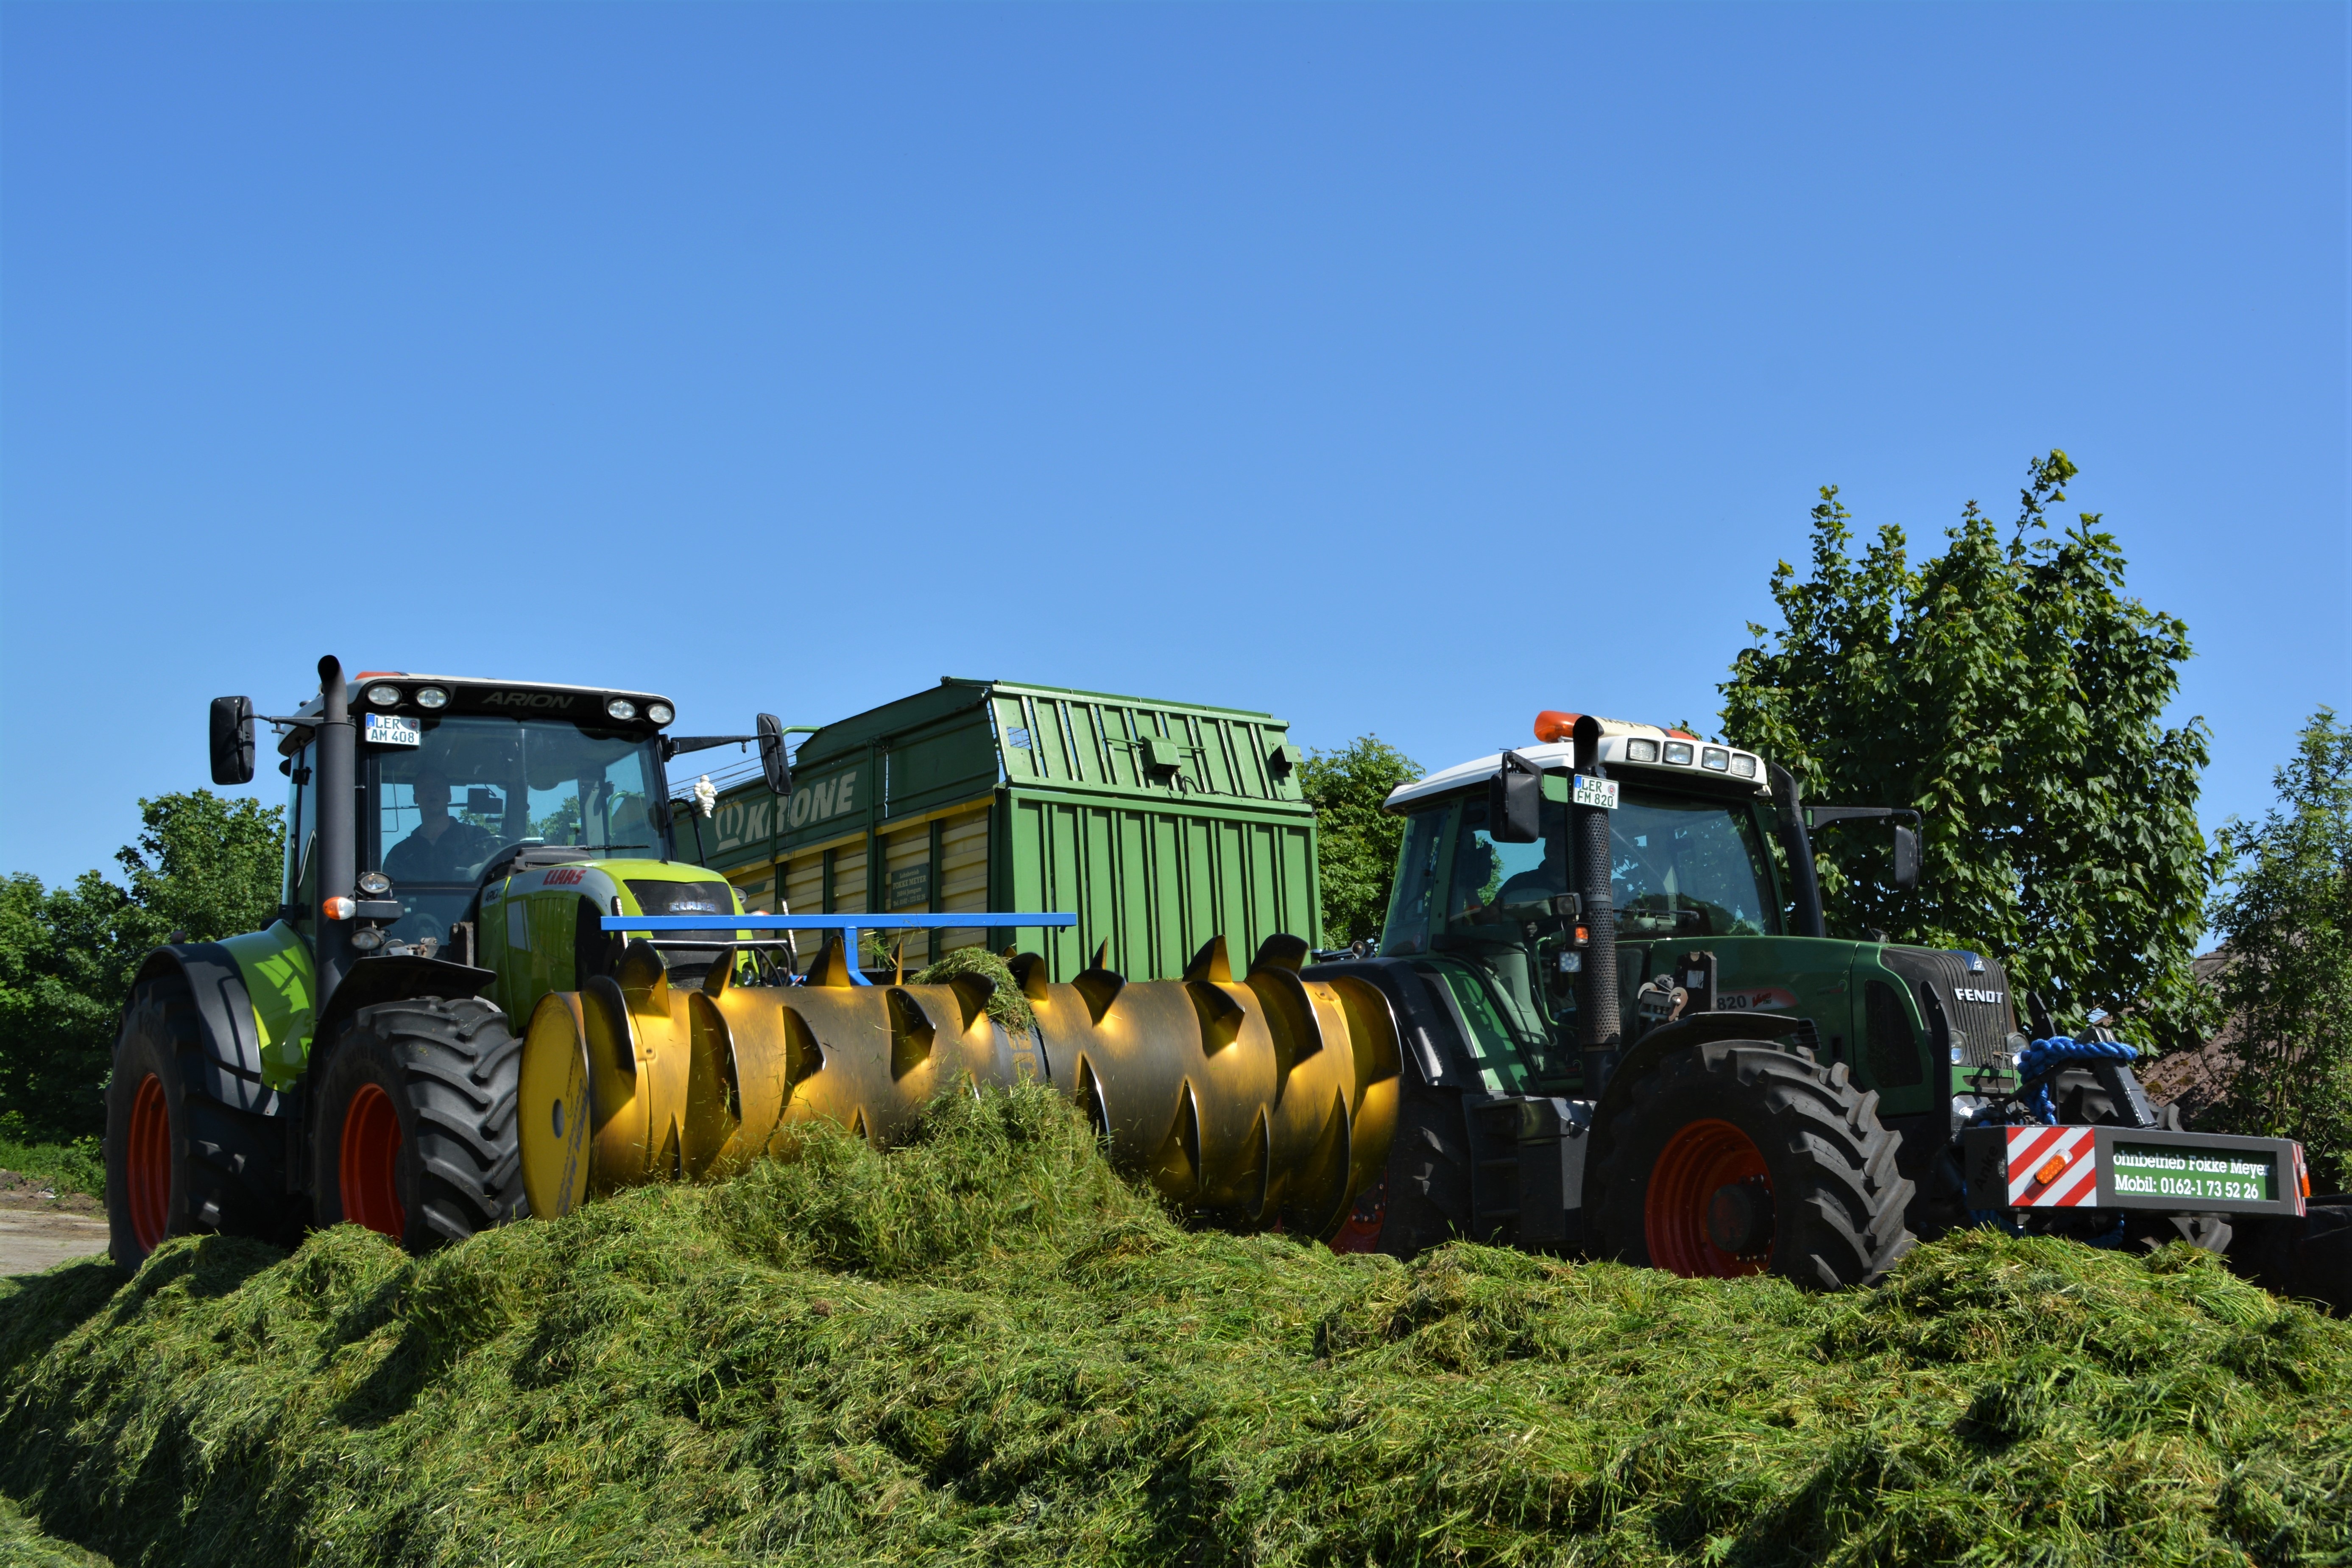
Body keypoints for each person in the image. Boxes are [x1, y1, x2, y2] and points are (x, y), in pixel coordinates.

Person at [383, 769, 501, 883]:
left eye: (438, 787)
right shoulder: (400, 854)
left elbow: (501, 878)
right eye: (425, 788)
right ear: (416, 799)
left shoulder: (479, 839)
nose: (432, 791)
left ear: (449, 796)